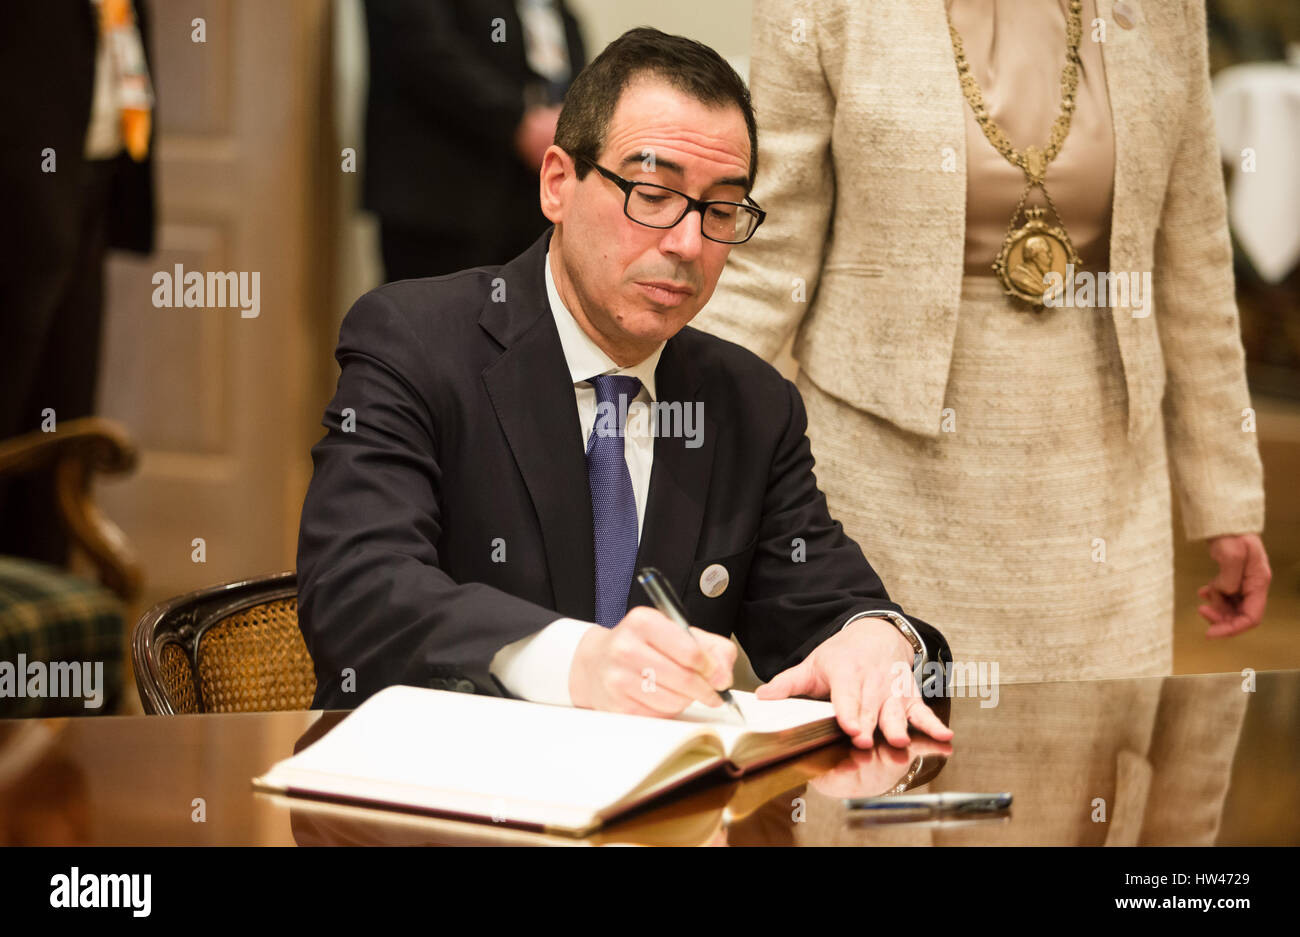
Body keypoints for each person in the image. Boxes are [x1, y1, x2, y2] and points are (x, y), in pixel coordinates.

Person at [297, 27, 954, 749]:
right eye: (652, 194)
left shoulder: (747, 406)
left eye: (720, 210)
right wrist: (576, 662)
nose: (687, 244)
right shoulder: (418, 342)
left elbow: (831, 604)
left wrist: (881, 640)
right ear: (557, 184)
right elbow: (356, 590)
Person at [694, 0, 1271, 684]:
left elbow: (1194, 259)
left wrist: (1226, 499)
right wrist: (672, 431)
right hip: (889, 479)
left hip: (1102, 489)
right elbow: (773, 252)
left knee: (1096, 768)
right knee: (883, 758)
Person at [362, 0, 586, 281]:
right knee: (436, 317)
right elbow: (419, 46)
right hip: (439, 191)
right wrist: (519, 122)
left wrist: (572, 114)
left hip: (529, 194)